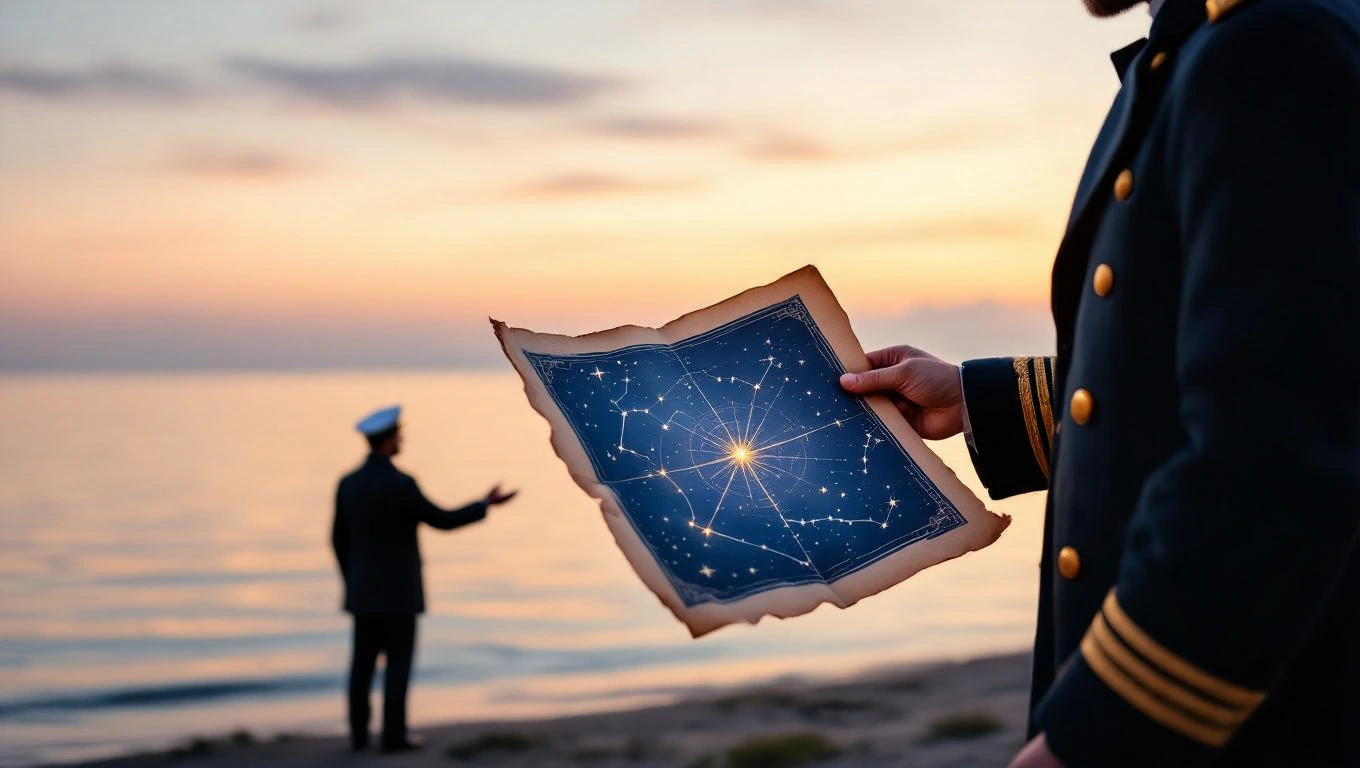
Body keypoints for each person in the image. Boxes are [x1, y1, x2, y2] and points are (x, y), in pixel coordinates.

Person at [840, 0, 1359, 765]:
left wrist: (1099, 736)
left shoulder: (1278, 46)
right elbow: (1265, 372)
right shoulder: (1214, 45)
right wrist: (979, 399)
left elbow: (1278, 462)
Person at [332, 404, 518, 753]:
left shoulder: (348, 484)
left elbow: (337, 540)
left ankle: (358, 738)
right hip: (400, 596)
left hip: (362, 595)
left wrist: (352, 581)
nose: (401, 439)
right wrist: (484, 504)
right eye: (398, 435)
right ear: (388, 441)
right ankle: (393, 737)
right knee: (397, 668)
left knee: (361, 667)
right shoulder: (401, 484)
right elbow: (442, 520)